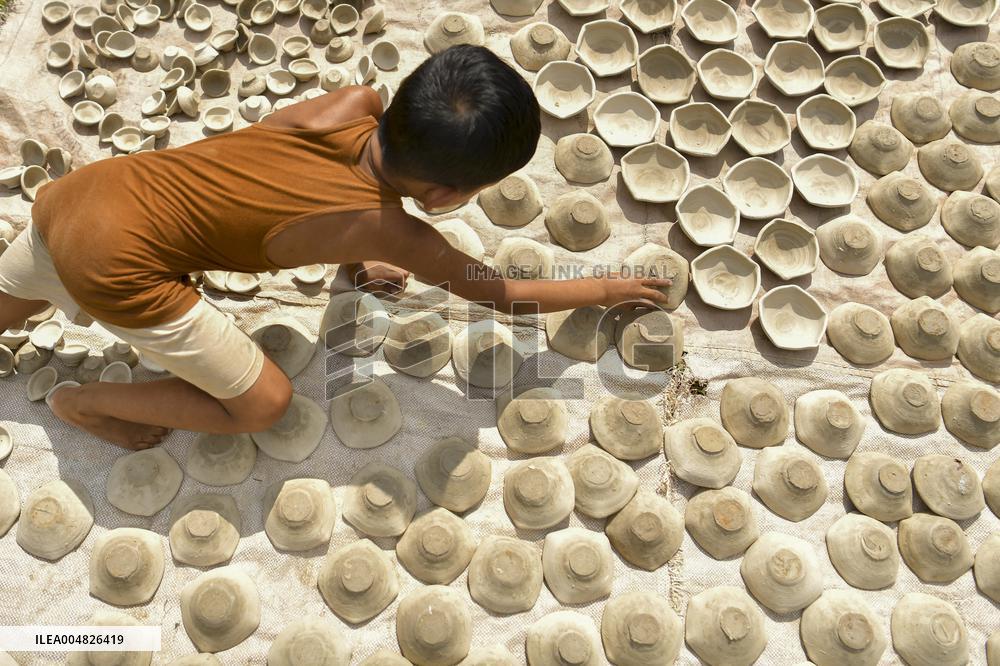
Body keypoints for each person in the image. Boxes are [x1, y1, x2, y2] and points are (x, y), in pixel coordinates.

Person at [0, 45, 670, 450]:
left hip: (85, 193)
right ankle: (81, 404)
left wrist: (350, 250)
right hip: (118, 269)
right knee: (264, 405)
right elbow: (503, 292)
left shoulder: (352, 102)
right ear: (443, 196)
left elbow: (267, 174)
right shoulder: (388, 230)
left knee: (16, 298)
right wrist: (609, 287)